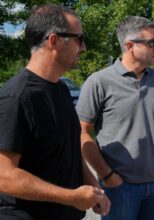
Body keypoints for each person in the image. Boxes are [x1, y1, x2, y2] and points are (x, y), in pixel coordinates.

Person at [0, 4, 110, 220]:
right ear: (54, 41)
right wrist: (71, 197)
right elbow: (4, 176)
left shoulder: (60, 89)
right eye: (79, 39)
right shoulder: (17, 97)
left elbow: (70, 151)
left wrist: (93, 185)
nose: (84, 47)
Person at [76, 15, 154, 220]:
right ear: (130, 45)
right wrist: (107, 176)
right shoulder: (99, 82)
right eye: (152, 42)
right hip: (120, 189)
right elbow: (83, 132)